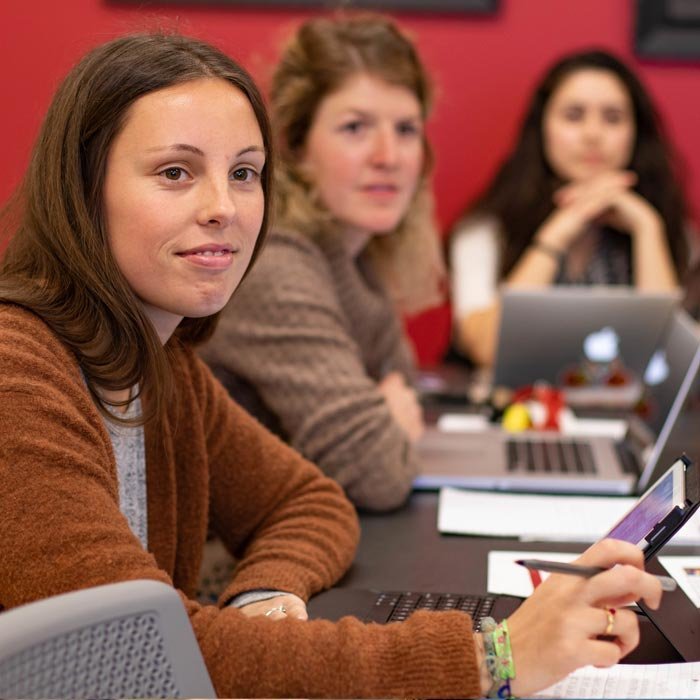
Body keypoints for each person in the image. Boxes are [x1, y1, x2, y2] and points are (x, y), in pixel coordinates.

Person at [0, 30, 664, 699]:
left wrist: (266, 590)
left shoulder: (164, 366)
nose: (223, 209)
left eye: (243, 174)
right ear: (83, 190)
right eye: (176, 172)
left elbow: (311, 501)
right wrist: (495, 656)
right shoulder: (15, 373)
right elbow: (132, 652)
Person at [200, 15, 447, 511]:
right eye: (355, 127)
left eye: (406, 129)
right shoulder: (274, 263)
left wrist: (391, 415)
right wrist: (390, 418)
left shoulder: (356, 252)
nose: (389, 156)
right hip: (224, 567)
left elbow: (403, 390)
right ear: (296, 145)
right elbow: (376, 472)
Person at [449, 49, 691, 367]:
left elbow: (667, 364)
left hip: (621, 415)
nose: (593, 135)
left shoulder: (675, 234)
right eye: (574, 116)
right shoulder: (485, 231)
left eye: (613, 118)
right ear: (542, 128)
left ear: (635, 133)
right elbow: (489, 350)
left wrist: (648, 229)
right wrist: (558, 232)